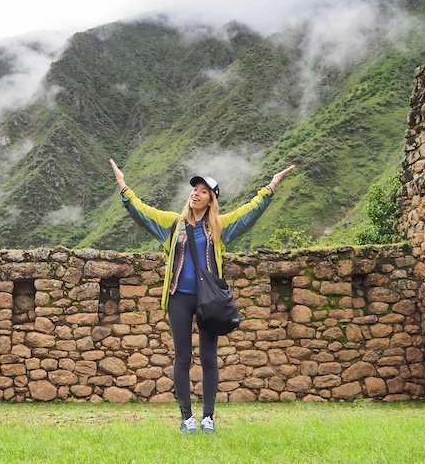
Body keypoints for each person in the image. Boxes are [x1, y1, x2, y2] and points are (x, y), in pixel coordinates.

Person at [109, 158, 294, 434]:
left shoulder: (219, 226)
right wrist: (124, 188)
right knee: (182, 357)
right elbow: (143, 213)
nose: (196, 193)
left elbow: (249, 213)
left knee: (209, 357)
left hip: (209, 300)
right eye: (194, 189)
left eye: (203, 191)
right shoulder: (173, 224)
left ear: (211, 200)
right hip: (179, 297)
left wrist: (271, 187)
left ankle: (208, 417)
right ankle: (187, 419)